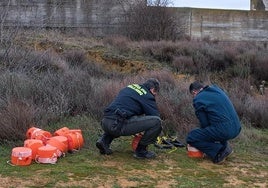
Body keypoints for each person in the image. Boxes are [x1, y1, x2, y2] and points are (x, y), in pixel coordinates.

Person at [96, 78, 162, 159]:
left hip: (105, 121)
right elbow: (155, 116)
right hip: (117, 125)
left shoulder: (130, 87)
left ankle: (104, 141)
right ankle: (141, 151)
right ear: (152, 89)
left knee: (121, 117)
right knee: (157, 122)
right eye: (155, 93)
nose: (155, 95)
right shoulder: (147, 96)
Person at [186, 81, 241, 164]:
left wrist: (201, 140)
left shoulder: (198, 98)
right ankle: (225, 147)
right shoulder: (216, 89)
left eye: (192, 95)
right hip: (237, 128)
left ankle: (220, 152)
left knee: (191, 136)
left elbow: (205, 124)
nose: (193, 97)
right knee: (216, 127)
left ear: (194, 92)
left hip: (225, 130)